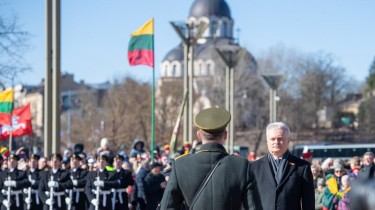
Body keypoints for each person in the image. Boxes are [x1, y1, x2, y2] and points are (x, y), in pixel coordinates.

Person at [159, 107, 263, 210]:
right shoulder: (241, 166)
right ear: (225, 135)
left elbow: (167, 207)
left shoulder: (181, 165)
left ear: (199, 135)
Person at [251, 122, 314, 210]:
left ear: (288, 140)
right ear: (267, 140)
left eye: (280, 139)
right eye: (272, 139)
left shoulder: (302, 167)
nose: (276, 142)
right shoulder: (254, 167)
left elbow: (308, 203)